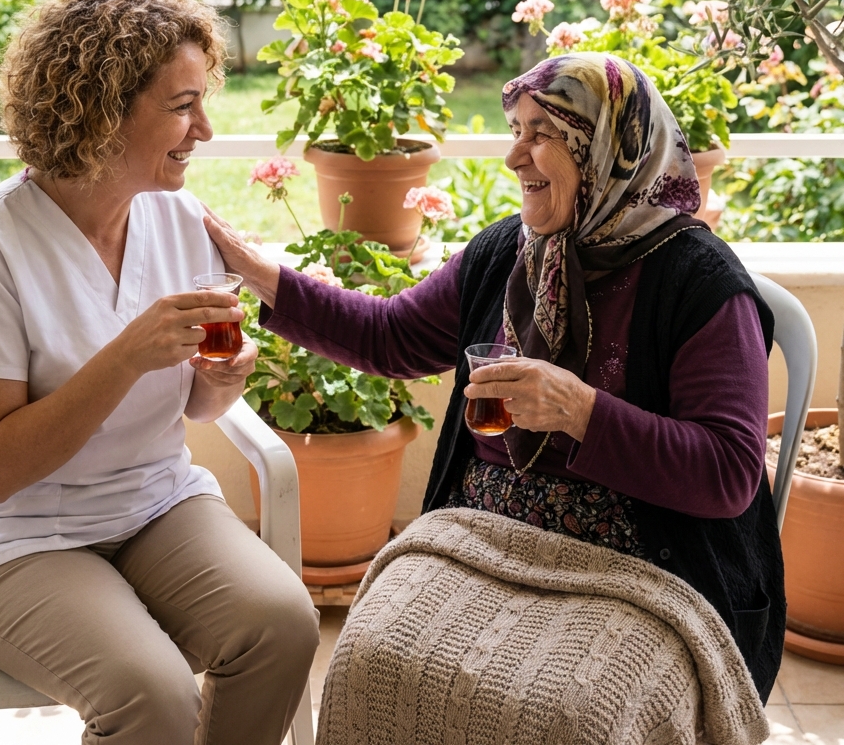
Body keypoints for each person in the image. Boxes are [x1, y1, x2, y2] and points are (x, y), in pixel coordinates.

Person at [205, 51, 785, 701]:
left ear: (606, 150)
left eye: (542, 135)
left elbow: (729, 475)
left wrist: (580, 410)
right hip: (487, 530)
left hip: (647, 557)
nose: (514, 156)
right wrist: (260, 274)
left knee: (570, 710)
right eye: (517, 131)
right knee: (371, 664)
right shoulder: (510, 252)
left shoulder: (699, 283)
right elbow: (390, 337)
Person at [0, 0, 319, 745]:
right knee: (152, 694)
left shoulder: (176, 218)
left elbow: (194, 409)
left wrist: (218, 384)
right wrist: (127, 356)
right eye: (181, 105)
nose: (204, 129)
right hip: (9, 538)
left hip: (152, 503)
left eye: (204, 100)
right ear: (100, 111)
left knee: (281, 624)